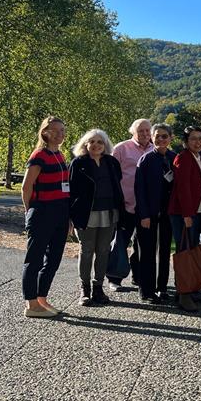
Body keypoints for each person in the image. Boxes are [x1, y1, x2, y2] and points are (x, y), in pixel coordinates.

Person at [21, 116, 71, 318]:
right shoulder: (39, 155)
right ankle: (31, 304)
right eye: (55, 130)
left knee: (53, 259)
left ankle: (42, 299)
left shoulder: (59, 155)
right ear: (45, 133)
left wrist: (68, 218)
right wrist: (29, 211)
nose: (60, 134)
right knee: (34, 260)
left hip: (60, 212)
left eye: (62, 130)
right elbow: (26, 187)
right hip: (42, 212)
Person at [69, 129, 124, 307]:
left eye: (100, 142)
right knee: (86, 251)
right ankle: (84, 290)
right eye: (92, 141)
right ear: (85, 144)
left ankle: (98, 288)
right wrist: (70, 217)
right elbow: (71, 191)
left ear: (105, 145)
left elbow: (118, 184)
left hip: (109, 213)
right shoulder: (78, 163)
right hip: (86, 214)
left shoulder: (112, 162)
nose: (96, 145)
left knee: (103, 251)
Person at [108, 118, 153, 292]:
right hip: (125, 204)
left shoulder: (155, 149)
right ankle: (114, 278)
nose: (145, 134)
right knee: (120, 242)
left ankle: (138, 277)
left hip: (146, 208)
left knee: (141, 244)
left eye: (147, 130)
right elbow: (111, 177)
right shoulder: (121, 148)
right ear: (132, 132)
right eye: (141, 131)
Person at [134, 123, 176, 303]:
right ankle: (147, 291)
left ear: (170, 138)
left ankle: (162, 288)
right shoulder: (145, 160)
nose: (160, 139)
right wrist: (143, 215)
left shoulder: (175, 158)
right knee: (147, 253)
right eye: (157, 136)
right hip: (148, 214)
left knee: (165, 252)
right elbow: (139, 190)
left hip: (169, 214)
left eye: (164, 136)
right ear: (152, 138)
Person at [168, 126, 201, 312]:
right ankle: (183, 295)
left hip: (196, 212)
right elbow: (183, 189)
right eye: (193, 139)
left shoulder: (199, 157)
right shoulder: (182, 158)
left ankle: (187, 289)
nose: (198, 142)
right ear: (185, 141)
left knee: (190, 250)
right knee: (184, 252)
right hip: (185, 214)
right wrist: (187, 215)